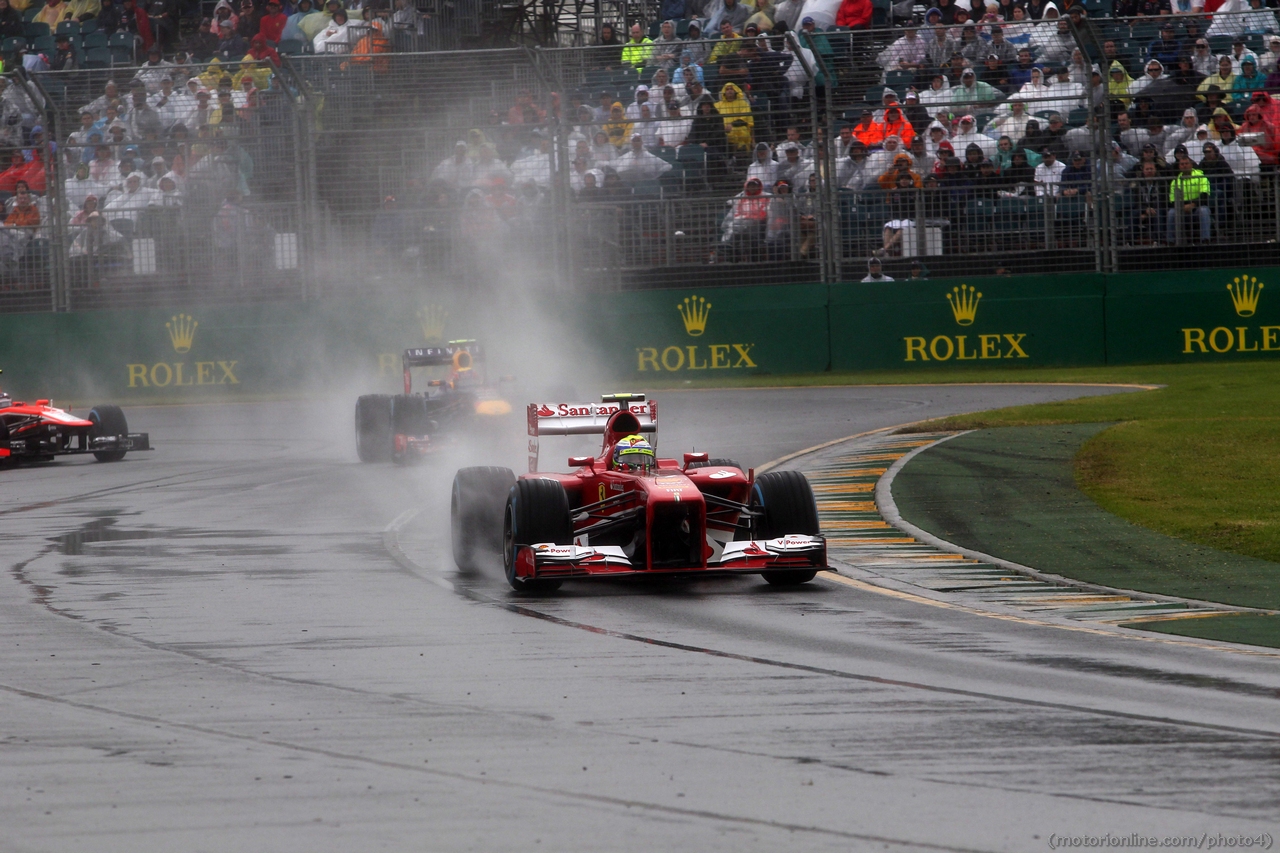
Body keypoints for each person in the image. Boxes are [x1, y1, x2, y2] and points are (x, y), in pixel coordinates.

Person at [1166, 154, 1210, 242]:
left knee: (1204, 211)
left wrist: (1193, 204)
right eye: (1182, 164)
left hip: (1197, 207)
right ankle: (1170, 242)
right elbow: (1172, 199)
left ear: (1191, 165)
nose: (1184, 166)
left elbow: (1205, 195)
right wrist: (1183, 207)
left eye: (1186, 163)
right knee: (1171, 213)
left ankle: (1205, 240)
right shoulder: (1175, 181)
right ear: (1179, 167)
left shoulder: (1201, 177)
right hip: (1181, 209)